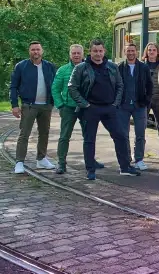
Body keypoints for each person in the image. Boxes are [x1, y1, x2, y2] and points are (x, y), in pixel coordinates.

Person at [68, 39, 140, 179]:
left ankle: (125, 167)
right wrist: (84, 104)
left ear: (104, 51)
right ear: (90, 52)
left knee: (120, 136)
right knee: (89, 139)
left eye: (100, 51)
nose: (98, 54)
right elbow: (72, 87)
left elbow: (120, 85)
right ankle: (90, 170)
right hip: (90, 108)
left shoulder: (112, 67)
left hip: (109, 108)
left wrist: (115, 103)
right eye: (95, 51)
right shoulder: (81, 68)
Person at [54, 44, 105, 174]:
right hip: (68, 108)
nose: (76, 55)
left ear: (83, 54)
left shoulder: (89, 68)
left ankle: (90, 160)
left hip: (85, 108)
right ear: (70, 55)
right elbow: (55, 89)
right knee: (64, 136)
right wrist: (60, 105)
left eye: (78, 53)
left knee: (88, 136)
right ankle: (61, 163)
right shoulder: (63, 70)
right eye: (74, 53)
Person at [10, 41, 57, 174]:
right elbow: (13, 86)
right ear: (29, 51)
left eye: (37, 49)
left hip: (46, 105)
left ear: (42, 51)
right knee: (24, 134)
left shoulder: (49, 66)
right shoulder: (21, 66)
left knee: (44, 133)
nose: (35, 52)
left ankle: (41, 158)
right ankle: (19, 162)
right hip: (29, 105)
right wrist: (14, 105)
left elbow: (55, 85)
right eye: (33, 50)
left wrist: (55, 102)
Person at [117, 43, 153, 171]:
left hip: (139, 105)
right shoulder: (119, 68)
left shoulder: (143, 67)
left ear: (136, 52)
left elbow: (150, 85)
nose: (130, 53)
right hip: (123, 106)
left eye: (133, 50)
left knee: (140, 134)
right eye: (128, 51)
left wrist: (147, 101)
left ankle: (139, 159)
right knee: (123, 134)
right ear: (124, 52)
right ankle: (126, 159)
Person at [143, 42, 159, 154]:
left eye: (154, 50)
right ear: (146, 52)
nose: (151, 52)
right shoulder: (141, 65)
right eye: (149, 50)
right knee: (141, 127)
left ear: (157, 52)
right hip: (144, 99)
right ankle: (139, 152)